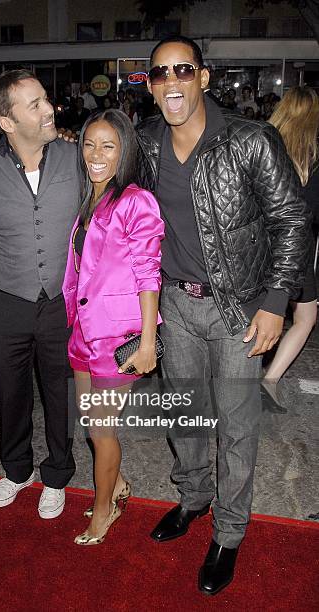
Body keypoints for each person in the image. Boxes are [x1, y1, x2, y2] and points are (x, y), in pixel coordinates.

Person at [136, 35, 311, 595]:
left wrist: (276, 303)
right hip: (175, 305)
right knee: (184, 416)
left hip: (239, 307)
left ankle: (229, 533)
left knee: (236, 428)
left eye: (182, 69)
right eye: (159, 74)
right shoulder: (146, 146)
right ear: (151, 87)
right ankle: (192, 499)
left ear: (204, 78)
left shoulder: (250, 140)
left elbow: (292, 221)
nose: (172, 82)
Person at [0, 70, 78, 519]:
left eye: (45, 100)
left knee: (59, 394)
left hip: (61, 302)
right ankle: (17, 470)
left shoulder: (77, 158)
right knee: (9, 393)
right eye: (34, 104)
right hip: (8, 303)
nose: (48, 109)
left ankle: (57, 475)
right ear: (6, 121)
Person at [62, 109, 164, 545]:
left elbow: (148, 273)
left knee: (102, 431)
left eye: (108, 146)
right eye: (89, 144)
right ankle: (116, 485)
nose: (95, 154)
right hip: (83, 331)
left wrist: (147, 341)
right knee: (91, 425)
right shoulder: (91, 197)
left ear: (125, 152)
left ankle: (103, 512)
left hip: (117, 338)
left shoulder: (135, 200)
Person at [261, 87, 318, 408]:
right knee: (305, 317)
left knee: (260, 311)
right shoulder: (314, 159)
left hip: (261, 244)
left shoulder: (264, 145)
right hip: (297, 249)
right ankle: (268, 382)